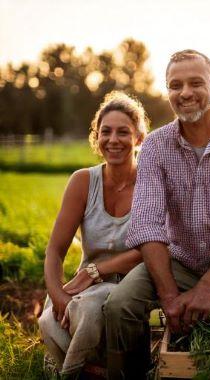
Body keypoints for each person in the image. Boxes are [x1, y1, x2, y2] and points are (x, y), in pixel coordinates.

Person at [103, 49, 210, 380]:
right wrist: (168, 295)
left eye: (196, 83)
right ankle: (137, 373)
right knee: (119, 308)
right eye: (175, 85)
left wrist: (207, 288)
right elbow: (147, 225)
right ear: (168, 92)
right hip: (177, 263)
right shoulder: (154, 146)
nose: (185, 93)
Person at [38, 91, 148, 377]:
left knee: (88, 309)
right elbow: (55, 250)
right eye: (105, 132)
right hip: (82, 285)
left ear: (138, 138)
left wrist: (96, 271)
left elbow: (151, 249)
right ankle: (90, 369)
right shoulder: (83, 181)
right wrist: (58, 294)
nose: (113, 140)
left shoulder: (150, 183)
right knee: (48, 320)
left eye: (123, 132)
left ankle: (70, 371)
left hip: (127, 287)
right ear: (96, 138)